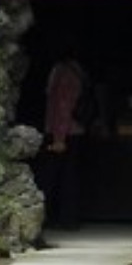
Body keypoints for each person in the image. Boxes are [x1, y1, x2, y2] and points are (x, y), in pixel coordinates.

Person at [40, 44, 88, 230]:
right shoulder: (78, 71)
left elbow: (61, 105)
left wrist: (58, 138)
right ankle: (69, 217)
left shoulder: (62, 72)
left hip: (63, 132)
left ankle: (56, 217)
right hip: (75, 130)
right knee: (70, 176)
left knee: (56, 177)